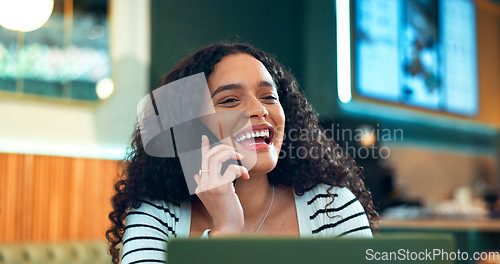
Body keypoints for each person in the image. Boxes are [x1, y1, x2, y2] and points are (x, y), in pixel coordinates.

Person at [106, 43, 379, 264]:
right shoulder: (158, 213)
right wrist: (225, 231)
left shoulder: (331, 206)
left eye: (269, 97)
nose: (259, 110)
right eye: (230, 100)